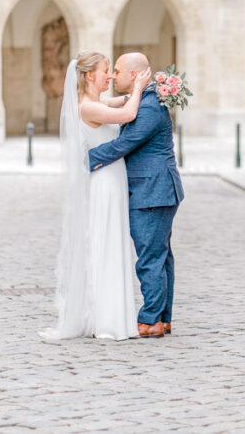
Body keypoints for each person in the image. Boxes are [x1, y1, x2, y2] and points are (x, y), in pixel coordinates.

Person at [41, 51, 151, 341]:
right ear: (89, 76)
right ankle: (108, 320)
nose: (111, 77)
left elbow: (122, 102)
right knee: (106, 246)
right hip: (103, 184)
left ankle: (114, 314)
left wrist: (152, 86)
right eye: (106, 71)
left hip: (112, 181)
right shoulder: (87, 107)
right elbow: (128, 114)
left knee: (112, 245)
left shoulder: (97, 102)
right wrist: (138, 88)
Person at [88, 52, 185, 338]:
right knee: (161, 256)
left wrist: (86, 160)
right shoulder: (143, 100)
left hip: (152, 192)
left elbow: (126, 143)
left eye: (116, 71)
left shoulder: (150, 107)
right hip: (156, 190)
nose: (112, 76)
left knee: (150, 258)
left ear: (133, 75)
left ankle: (150, 320)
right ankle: (162, 318)